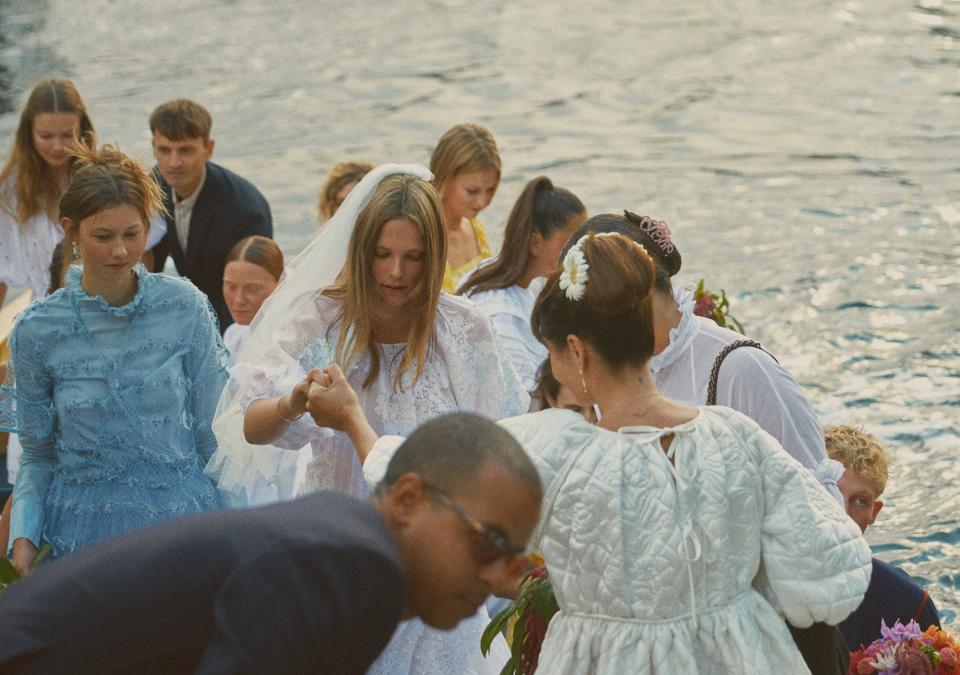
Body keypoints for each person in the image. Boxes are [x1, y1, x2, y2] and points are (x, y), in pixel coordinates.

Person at [308, 230, 873, 674]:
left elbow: (420, 472)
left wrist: (353, 417)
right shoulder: (737, 436)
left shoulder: (556, 447)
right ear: (649, 337)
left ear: (575, 352)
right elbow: (830, 571)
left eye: (552, 351)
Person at [205, 163, 527, 674]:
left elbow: (498, 447)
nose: (396, 273)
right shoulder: (319, 319)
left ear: (434, 256)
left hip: (434, 565)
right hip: (339, 556)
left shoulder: (465, 332)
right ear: (361, 253)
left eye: (413, 257)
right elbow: (251, 424)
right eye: (382, 255)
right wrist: (294, 402)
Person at [0, 413, 543, 675]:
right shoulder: (356, 564)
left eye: (514, 559)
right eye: (488, 542)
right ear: (406, 498)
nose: (499, 579)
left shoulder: (347, 534)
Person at [2, 142, 227, 575]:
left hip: (181, 527)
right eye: (103, 236)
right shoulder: (36, 330)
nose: (121, 252)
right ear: (70, 230)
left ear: (149, 228)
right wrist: (23, 543)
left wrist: (235, 530)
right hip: (81, 539)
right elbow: (37, 455)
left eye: (132, 234)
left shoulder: (185, 306)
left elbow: (213, 438)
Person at [561, 212, 844, 500]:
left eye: (590, 313)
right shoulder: (611, 374)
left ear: (633, 293)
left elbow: (817, 504)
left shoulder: (742, 368)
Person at [1, 79, 165, 310]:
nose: (57, 146)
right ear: (28, 133)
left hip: (110, 307)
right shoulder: (9, 191)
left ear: (82, 129)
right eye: (46, 136)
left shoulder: (107, 176)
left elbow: (142, 253)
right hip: (46, 311)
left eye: (67, 135)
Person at [149, 98, 273, 330]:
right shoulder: (154, 186)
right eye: (164, 150)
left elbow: (247, 299)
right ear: (153, 148)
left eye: (185, 150)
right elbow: (148, 265)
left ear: (209, 148)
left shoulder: (246, 211)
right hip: (189, 310)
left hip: (234, 325)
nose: (174, 162)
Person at [460, 177, 586, 392]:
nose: (579, 253)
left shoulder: (524, 283)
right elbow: (518, 394)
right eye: (570, 244)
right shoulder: (501, 312)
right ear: (536, 242)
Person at [826, 424, 941, 648]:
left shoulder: (909, 603)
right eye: (830, 493)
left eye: (860, 501)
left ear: (874, 512)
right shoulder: (754, 587)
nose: (843, 513)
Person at [429, 123, 500, 293]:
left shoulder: (475, 228)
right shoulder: (424, 237)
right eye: (472, 191)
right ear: (444, 179)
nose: (482, 202)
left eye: (490, 190)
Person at [221, 235, 283, 357]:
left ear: (280, 284)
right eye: (231, 287)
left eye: (252, 289)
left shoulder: (288, 341)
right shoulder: (233, 334)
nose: (239, 300)